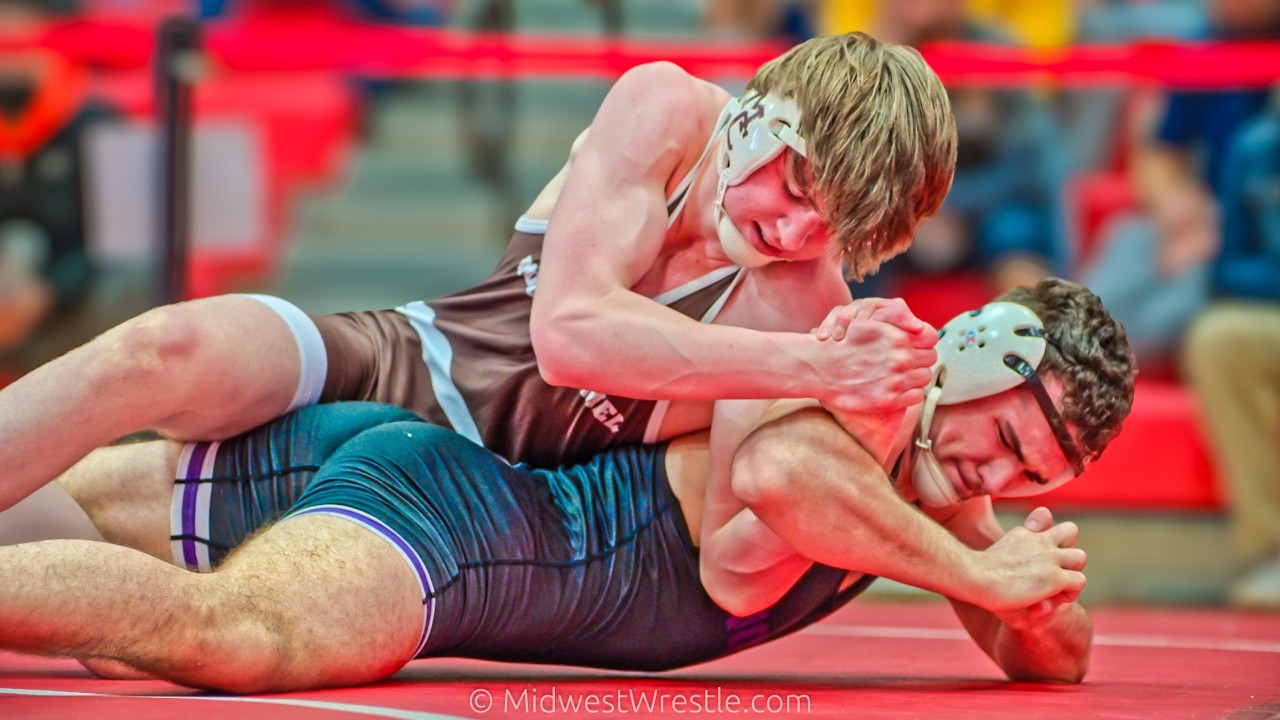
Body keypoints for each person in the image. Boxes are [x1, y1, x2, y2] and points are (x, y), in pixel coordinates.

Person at [5, 278, 1136, 691]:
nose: (995, 473)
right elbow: (781, 474)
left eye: (1031, 473)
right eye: (1002, 437)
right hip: (448, 535)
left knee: (70, 517)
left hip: (419, 475)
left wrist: (1020, 587)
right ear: (968, 358)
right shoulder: (852, 386)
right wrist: (984, 572)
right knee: (231, 637)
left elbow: (1055, 654)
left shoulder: (945, 508)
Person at [0, 32, 955, 514]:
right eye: (795, 186)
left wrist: (1009, 585)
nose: (790, 229)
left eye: (828, 228)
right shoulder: (667, 112)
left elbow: (933, 461)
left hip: (485, 509)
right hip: (401, 363)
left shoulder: (814, 309)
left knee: (117, 536)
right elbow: (571, 336)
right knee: (167, 346)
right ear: (764, 114)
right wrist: (813, 369)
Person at [1182, 92, 1280, 609]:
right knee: (1217, 338)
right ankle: (1270, 551)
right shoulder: (1254, 146)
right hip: (1271, 310)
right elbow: (1225, 267)